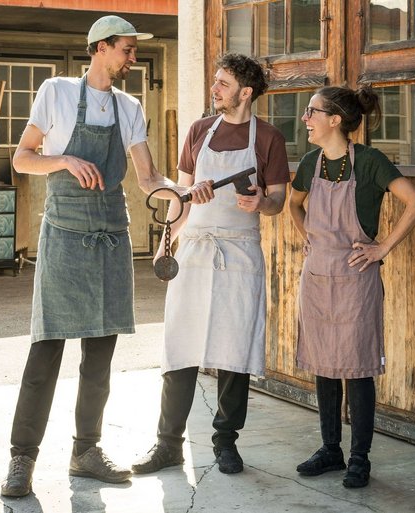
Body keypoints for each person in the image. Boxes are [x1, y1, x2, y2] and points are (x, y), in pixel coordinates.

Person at [0, 15, 190, 497]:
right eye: (126, 49)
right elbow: (22, 158)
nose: (132, 58)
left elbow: (147, 178)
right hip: (64, 234)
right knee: (46, 350)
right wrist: (63, 159)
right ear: (101, 47)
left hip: (111, 233)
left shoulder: (129, 107)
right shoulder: (57, 92)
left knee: (100, 355)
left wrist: (184, 192)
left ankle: (86, 451)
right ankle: (21, 459)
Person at [131, 53, 290, 475]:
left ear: (246, 92)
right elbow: (179, 198)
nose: (214, 89)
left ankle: (226, 442)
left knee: (233, 349)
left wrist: (261, 201)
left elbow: (277, 199)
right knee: (179, 344)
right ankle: (167, 444)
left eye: (222, 83)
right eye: (215, 81)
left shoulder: (269, 137)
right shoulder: (200, 131)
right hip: (196, 249)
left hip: (240, 252)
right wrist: (168, 243)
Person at [288, 86, 415, 488]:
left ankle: (359, 458)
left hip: (356, 280)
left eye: (311, 111)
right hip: (316, 278)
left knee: (358, 369)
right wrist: (307, 237)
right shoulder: (311, 163)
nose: (305, 118)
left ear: (334, 120)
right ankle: (330, 450)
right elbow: (293, 204)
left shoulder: (369, 162)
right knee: (324, 366)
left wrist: (382, 247)